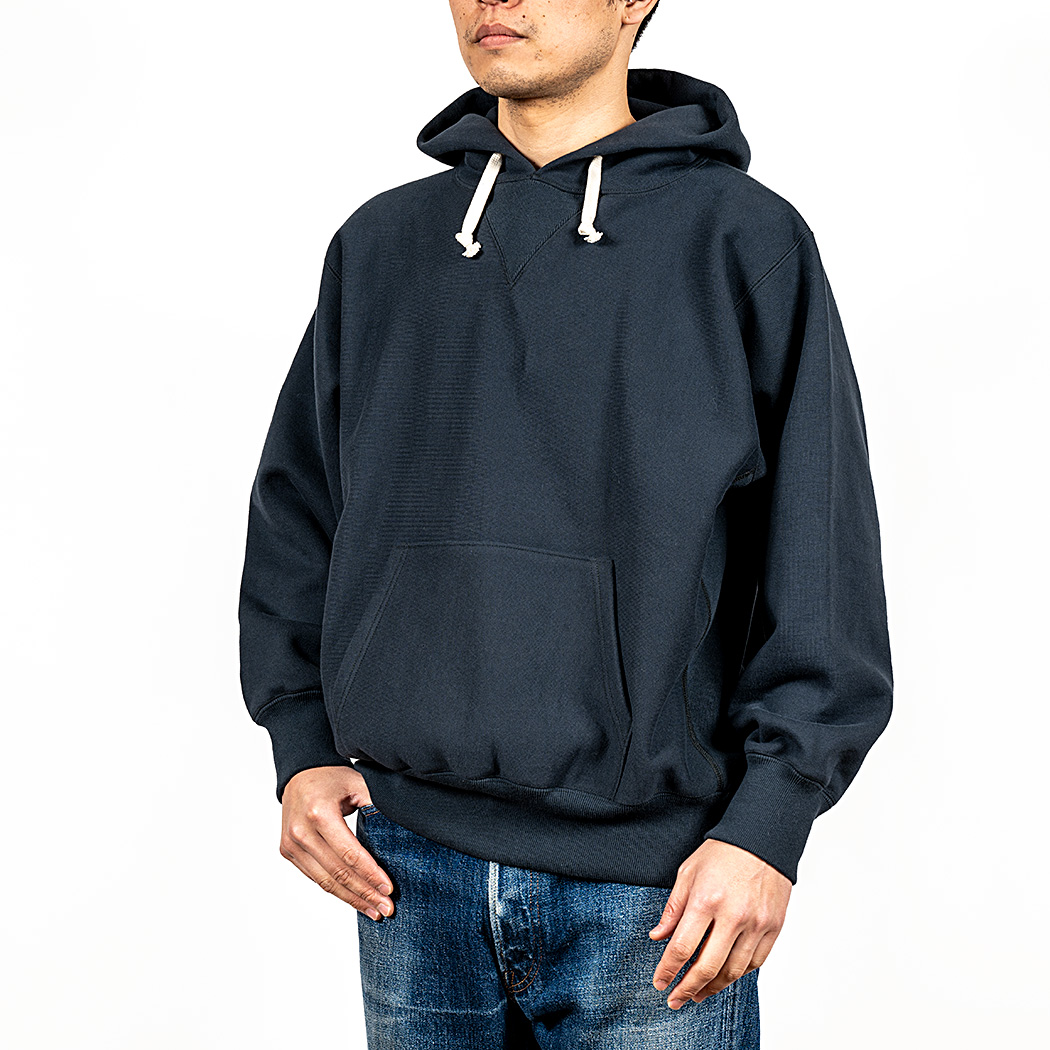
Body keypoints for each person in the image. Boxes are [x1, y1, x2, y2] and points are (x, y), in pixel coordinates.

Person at [237, 1, 894, 1045]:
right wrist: (300, 739)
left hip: (659, 892)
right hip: (406, 871)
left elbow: (819, 554)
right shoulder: (382, 244)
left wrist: (771, 823)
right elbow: (299, 508)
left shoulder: (743, 240)